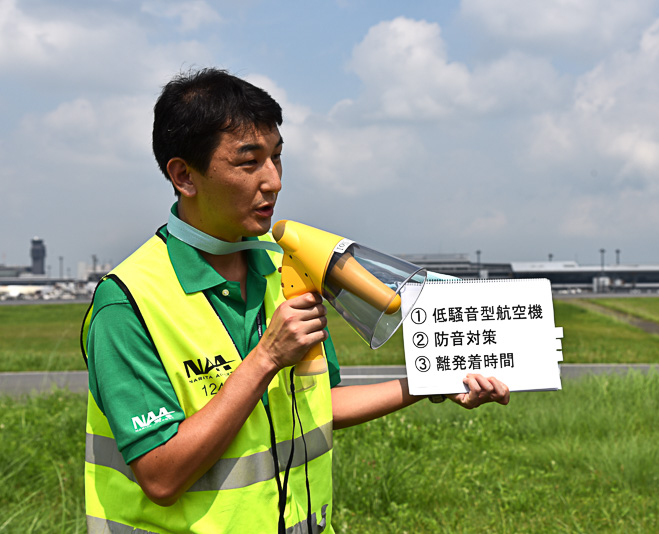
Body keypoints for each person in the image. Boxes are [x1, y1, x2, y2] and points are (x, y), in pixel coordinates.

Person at [81, 67, 510, 534]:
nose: (274, 181)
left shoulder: (282, 270)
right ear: (184, 176)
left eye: (277, 158)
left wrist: (427, 382)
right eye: (249, 162)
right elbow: (161, 475)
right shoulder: (128, 303)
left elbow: (321, 404)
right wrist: (266, 358)